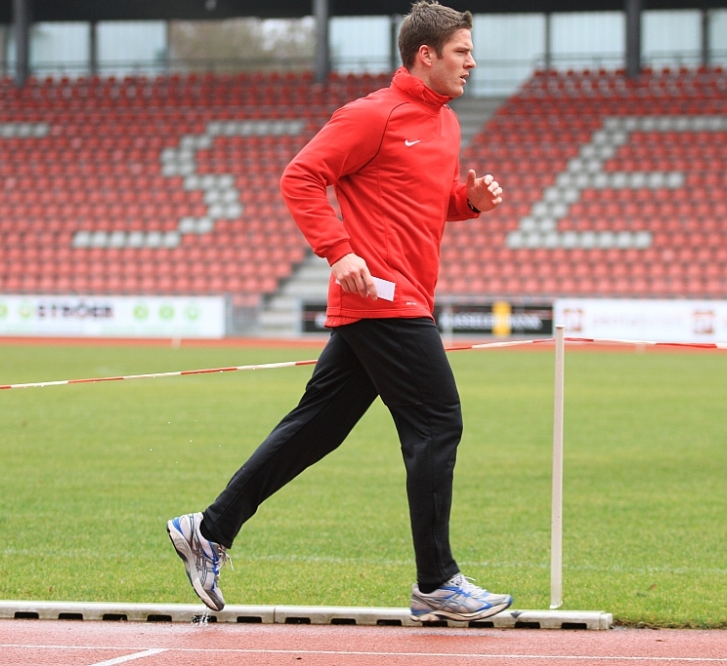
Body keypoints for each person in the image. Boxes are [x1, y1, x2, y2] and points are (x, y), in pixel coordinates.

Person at [167, 0, 511, 623]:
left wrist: (468, 202)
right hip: (384, 297)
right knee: (437, 422)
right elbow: (300, 177)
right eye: (462, 51)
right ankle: (437, 582)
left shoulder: (445, 123)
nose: (472, 62)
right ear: (426, 55)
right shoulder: (372, 114)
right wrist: (339, 251)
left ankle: (209, 530)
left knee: (318, 427)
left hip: (400, 297)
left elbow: (425, 200)